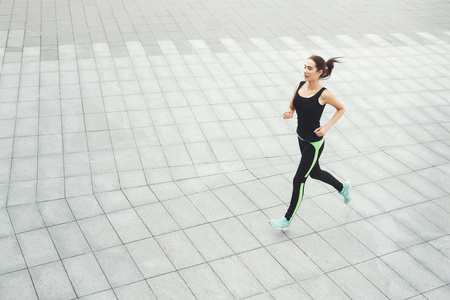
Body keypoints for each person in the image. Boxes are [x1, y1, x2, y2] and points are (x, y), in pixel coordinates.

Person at [269, 55, 351, 231]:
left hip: (314, 144)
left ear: (320, 72)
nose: (305, 71)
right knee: (315, 172)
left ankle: (287, 219)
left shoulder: (324, 94)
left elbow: (341, 108)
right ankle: (342, 187)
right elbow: (292, 106)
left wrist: (327, 127)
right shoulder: (299, 86)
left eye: (310, 68)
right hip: (300, 137)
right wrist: (288, 111)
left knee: (299, 180)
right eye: (305, 67)